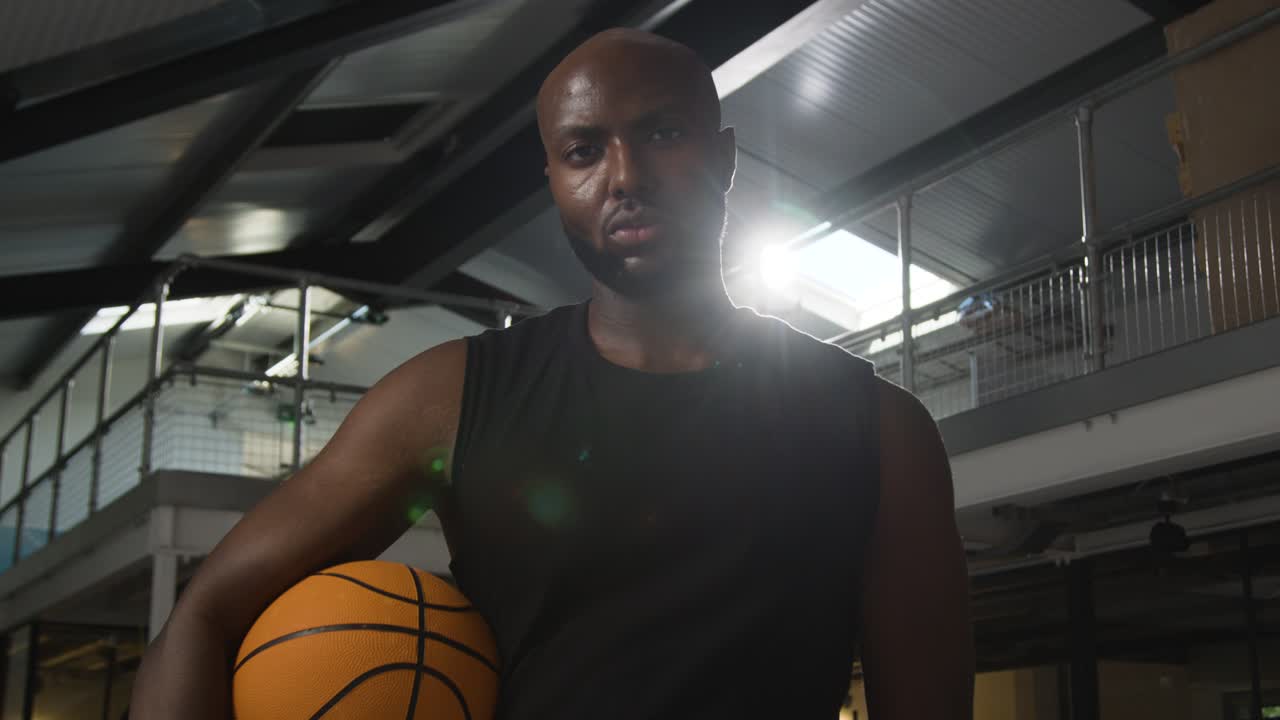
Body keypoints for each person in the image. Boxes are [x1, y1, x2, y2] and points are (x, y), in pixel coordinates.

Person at [131, 28, 973, 719]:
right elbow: (204, 617)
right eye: (583, 150)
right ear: (553, 181)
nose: (625, 177)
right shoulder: (450, 396)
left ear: (724, 159)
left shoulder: (877, 428)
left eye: (662, 133)